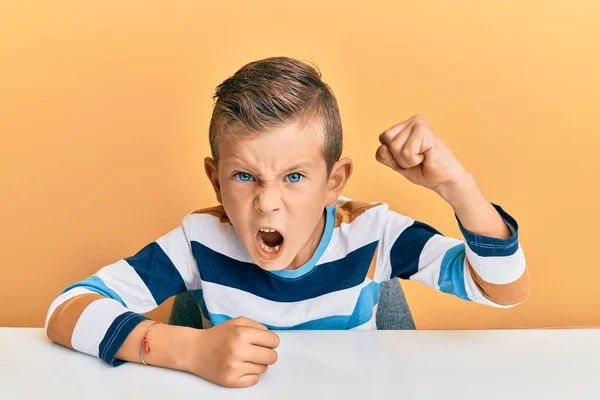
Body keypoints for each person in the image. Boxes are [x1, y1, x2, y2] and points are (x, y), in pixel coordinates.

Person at [45, 56, 529, 388]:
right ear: (216, 181)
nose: (267, 203)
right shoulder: (200, 243)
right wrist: (191, 351)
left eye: (294, 176)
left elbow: (501, 289)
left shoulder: (373, 235)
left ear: (333, 181)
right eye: (244, 176)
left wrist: (456, 187)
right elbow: (66, 311)